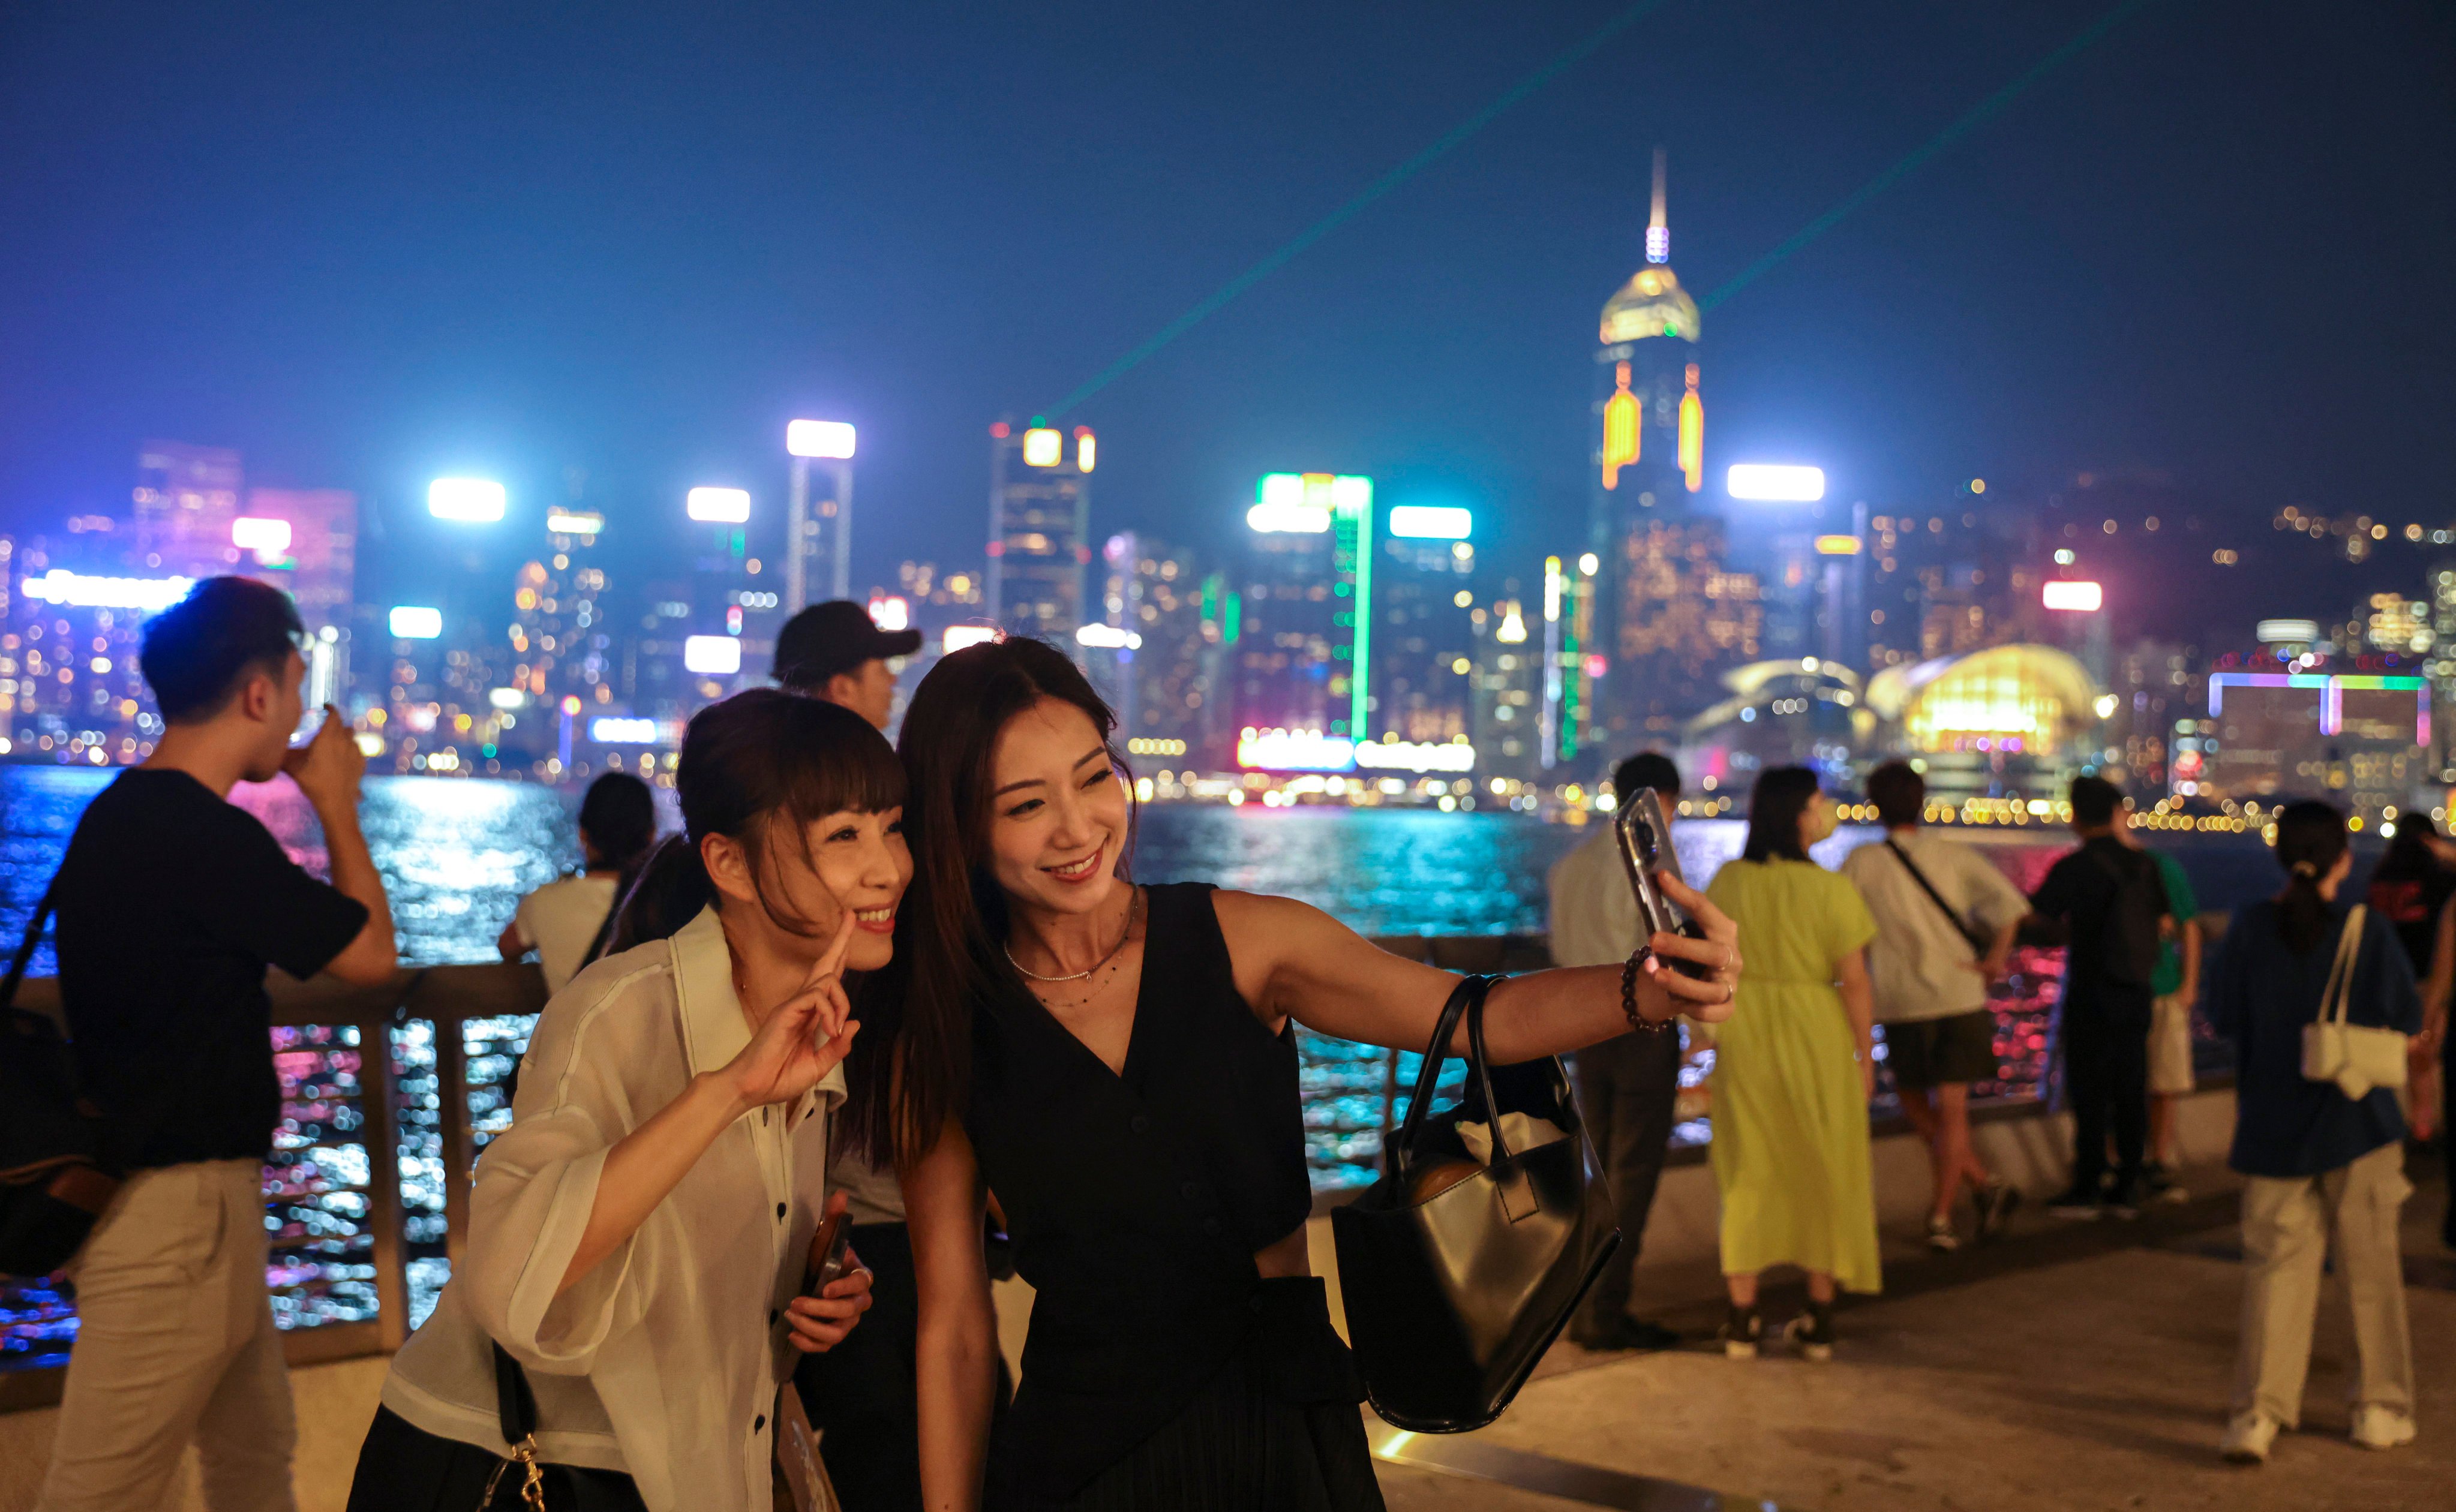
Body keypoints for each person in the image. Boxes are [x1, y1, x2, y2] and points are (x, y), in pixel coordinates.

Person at [848, 637, 1742, 1511]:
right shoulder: (942, 1028)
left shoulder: (1245, 940)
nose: (1078, 827)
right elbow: (956, 1330)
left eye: (1092, 777)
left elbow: (1476, 1016)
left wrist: (1651, 988)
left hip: (1282, 1429)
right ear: (960, 823)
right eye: (1024, 805)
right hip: (1081, 1454)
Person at [347, 692, 888, 1512]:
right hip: (538, 1470)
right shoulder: (617, 1010)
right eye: (845, 835)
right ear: (729, 864)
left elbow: (703, 1257)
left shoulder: (817, 1030)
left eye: (892, 826)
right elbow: (513, 1273)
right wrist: (731, 1090)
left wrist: (815, 1287)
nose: (890, 867)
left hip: (696, 1459)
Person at [34, 576, 398, 1512]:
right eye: (298, 678)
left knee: (253, 1457)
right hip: (173, 1220)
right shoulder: (202, 834)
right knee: (100, 1490)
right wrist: (338, 802)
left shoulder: (119, 814)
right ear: (259, 692)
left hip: (190, 1209)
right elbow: (369, 955)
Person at [2211, 801, 2421, 1463]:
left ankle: (2257, 1415)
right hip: (2357, 1125)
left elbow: (2220, 1015)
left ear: (2279, 855)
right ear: (2341, 859)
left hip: (2271, 1125)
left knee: (2273, 1274)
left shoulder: (2248, 927)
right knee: (2369, 1273)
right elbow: (2406, 1017)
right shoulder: (2367, 931)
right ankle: (2377, 1408)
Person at [1704, 765, 1881, 1363]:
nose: (1824, 810)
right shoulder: (1832, 890)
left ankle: (1740, 1320)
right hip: (1817, 1031)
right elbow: (1853, 981)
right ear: (1796, 815)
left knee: (1745, 1163)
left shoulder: (1728, 880)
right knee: (1823, 1162)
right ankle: (1820, 1317)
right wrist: (1863, 1055)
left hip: (1746, 1030)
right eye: (1817, 801)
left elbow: (1710, 962)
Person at [1839, 760, 2026, 1251]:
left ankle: (1944, 1213)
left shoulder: (1861, 862)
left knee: (1920, 1104)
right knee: (1952, 1111)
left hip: (1900, 1003)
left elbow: (1840, 934)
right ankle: (1980, 1188)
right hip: (1959, 996)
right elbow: (2010, 907)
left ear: (1874, 803)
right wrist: (1994, 961)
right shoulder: (1951, 854)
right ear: (1921, 801)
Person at [1546, 750, 1688, 1351]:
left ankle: (1583, 1307)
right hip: (1640, 1030)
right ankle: (1605, 1313)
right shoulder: (1649, 871)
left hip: (1583, 1031)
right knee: (1632, 1173)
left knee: (1597, 1170)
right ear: (1658, 804)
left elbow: (1557, 948)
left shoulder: (1570, 864)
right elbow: (1675, 956)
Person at [2025, 774, 2169, 1220]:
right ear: (2114, 812)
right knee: (2131, 1085)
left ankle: (2088, 1182)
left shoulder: (2075, 866)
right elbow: (2162, 923)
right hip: (2137, 989)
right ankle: (2128, 1183)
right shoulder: (2145, 865)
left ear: (2076, 817)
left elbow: (2037, 914)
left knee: (2088, 1088)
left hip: (2092, 990)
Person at [496, 770, 659, 994]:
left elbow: (507, 947)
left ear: (583, 834)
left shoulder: (545, 902)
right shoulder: (663, 906)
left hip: (573, 1029)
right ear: (651, 835)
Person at [2132, 829, 2202, 1203]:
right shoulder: (2151, 866)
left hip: (2162, 989)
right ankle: (2134, 1161)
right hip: (2135, 990)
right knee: (2149, 1081)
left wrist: (2188, 985)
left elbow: (2189, 925)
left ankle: (2158, 1159)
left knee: (2164, 1082)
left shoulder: (2161, 867)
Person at [774, 599, 923, 731]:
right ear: (842, 690)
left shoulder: (772, 756)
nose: (893, 679)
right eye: (881, 670)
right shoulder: (854, 762)